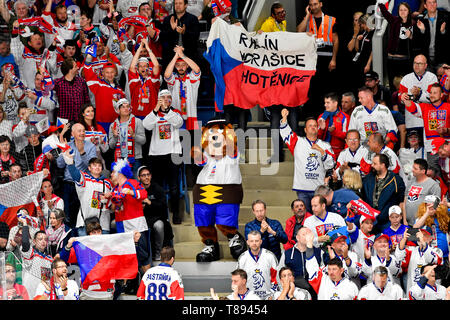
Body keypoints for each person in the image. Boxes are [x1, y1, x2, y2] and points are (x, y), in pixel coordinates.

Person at [280, 109, 335, 213]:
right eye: (310, 125)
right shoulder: (297, 142)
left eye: (315, 125)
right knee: (305, 219)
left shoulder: (325, 145)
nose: (313, 127)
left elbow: (331, 165)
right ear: (305, 129)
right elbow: (285, 132)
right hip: (302, 189)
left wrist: (322, 152)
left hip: (319, 190)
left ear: (318, 129)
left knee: (320, 217)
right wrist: (284, 118)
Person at [142, 89, 184, 224]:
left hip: (173, 152)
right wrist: (156, 109)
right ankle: (161, 215)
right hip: (156, 154)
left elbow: (178, 123)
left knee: (174, 186)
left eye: (168, 97)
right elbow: (146, 125)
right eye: (163, 97)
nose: (166, 99)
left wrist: (167, 111)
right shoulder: (154, 113)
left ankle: (176, 213)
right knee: (157, 187)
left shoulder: (175, 112)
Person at [107, 159, 152, 274]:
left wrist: (131, 192)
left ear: (119, 173)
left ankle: (147, 282)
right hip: (121, 225)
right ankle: (131, 285)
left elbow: (144, 194)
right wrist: (110, 198)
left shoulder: (133, 183)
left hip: (136, 225)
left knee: (143, 255)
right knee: (127, 256)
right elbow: (114, 209)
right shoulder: (115, 189)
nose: (111, 175)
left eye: (112, 172)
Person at [60, 218, 119, 300]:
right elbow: (63, 258)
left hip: (106, 293)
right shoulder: (82, 248)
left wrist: (133, 242)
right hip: (88, 293)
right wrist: (68, 245)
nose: (97, 235)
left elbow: (123, 259)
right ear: (88, 234)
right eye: (94, 232)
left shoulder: (110, 247)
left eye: (99, 232)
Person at [56, 123, 97, 228]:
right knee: (67, 216)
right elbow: (59, 164)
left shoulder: (90, 146)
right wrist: (64, 151)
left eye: (83, 130)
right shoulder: (68, 144)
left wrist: (82, 152)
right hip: (68, 184)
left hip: (84, 185)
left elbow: (92, 166)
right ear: (73, 134)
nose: (82, 133)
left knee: (82, 215)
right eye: (79, 131)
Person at [401, 83, 450, 163]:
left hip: (447, 148)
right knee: (433, 173)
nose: (432, 95)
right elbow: (412, 107)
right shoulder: (424, 107)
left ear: (441, 95)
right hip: (431, 148)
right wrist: (405, 98)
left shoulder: (448, 107)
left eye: (435, 93)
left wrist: (446, 130)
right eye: (430, 93)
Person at [305, 230, 359, 300]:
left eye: (344, 240)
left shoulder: (353, 255)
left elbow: (354, 274)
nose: (342, 243)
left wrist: (346, 257)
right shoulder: (324, 279)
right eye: (339, 241)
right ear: (332, 245)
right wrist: (309, 245)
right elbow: (311, 267)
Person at [361, 153, 406, 234]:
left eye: (375, 163)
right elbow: (363, 198)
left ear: (383, 165)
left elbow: (401, 202)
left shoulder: (396, 180)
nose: (372, 165)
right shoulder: (368, 179)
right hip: (371, 221)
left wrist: (403, 220)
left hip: (388, 221)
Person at [137, 165, 174, 261]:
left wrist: (149, 202)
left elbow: (163, 206)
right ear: (139, 177)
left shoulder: (157, 189)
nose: (146, 177)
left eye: (148, 175)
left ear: (151, 176)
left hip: (156, 217)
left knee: (159, 226)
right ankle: (141, 255)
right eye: (143, 175)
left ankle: (158, 253)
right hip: (141, 217)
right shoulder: (136, 190)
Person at [278, 226, 323, 299]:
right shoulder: (287, 254)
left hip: (315, 292)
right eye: (304, 234)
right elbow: (279, 274)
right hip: (294, 293)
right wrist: (283, 290)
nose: (307, 236)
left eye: (309, 234)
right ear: (297, 238)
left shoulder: (319, 252)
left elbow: (323, 273)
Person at [395, 225, 443, 292]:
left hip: (431, 292)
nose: (420, 237)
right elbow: (399, 256)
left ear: (431, 238)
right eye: (419, 235)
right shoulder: (411, 250)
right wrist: (404, 239)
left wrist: (423, 242)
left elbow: (431, 259)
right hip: (414, 291)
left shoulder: (437, 251)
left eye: (424, 235)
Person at [378, 1, 414, 90]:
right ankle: (393, 103)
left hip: (404, 59)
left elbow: (417, 40)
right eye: (400, 10)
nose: (402, 12)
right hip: (391, 58)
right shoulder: (394, 20)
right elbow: (385, 13)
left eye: (405, 10)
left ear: (409, 11)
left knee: (405, 85)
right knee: (392, 84)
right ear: (398, 11)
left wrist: (411, 36)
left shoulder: (413, 23)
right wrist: (381, 3)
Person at [399, 54, 439, 135]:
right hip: (411, 120)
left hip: (429, 119)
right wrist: (402, 98)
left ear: (425, 65)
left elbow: (433, 99)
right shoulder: (406, 79)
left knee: (432, 144)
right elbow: (401, 99)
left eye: (420, 63)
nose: (417, 66)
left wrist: (419, 93)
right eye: (415, 63)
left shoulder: (432, 77)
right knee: (414, 146)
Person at [164, 45, 201, 131]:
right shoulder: (174, 78)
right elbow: (167, 74)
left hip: (191, 115)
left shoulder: (191, 78)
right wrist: (176, 55)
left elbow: (197, 69)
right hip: (176, 116)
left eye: (183, 65)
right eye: (178, 65)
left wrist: (182, 55)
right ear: (175, 66)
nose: (181, 67)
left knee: (193, 142)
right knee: (176, 142)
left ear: (187, 66)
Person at [108, 98, 146, 177]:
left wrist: (134, 136)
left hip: (135, 158)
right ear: (118, 110)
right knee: (121, 184)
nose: (126, 109)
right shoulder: (113, 125)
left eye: (127, 106)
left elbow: (143, 141)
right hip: (120, 159)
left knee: (135, 183)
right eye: (123, 107)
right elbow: (111, 146)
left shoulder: (137, 122)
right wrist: (115, 136)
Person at [236, 230, 279, 300]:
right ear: (247, 242)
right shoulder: (243, 258)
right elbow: (238, 279)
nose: (254, 243)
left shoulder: (269, 256)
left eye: (256, 241)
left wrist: (272, 294)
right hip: (249, 297)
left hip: (268, 297)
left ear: (261, 241)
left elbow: (276, 278)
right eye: (252, 241)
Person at [19, 218, 53, 299]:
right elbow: (25, 242)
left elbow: (46, 279)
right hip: (28, 293)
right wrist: (24, 224)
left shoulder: (49, 259)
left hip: (41, 294)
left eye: (45, 239)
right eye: (40, 239)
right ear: (34, 241)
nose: (43, 241)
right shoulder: (30, 253)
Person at [160, 0, 200, 68]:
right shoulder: (168, 19)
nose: (178, 5)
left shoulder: (193, 19)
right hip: (170, 55)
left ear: (186, 5)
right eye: (176, 3)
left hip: (189, 55)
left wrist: (184, 32)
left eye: (180, 3)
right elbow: (162, 38)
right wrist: (171, 30)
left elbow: (196, 37)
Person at [128, 39, 161, 120]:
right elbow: (132, 67)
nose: (143, 68)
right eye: (140, 66)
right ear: (138, 69)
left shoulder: (152, 80)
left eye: (145, 66)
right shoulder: (135, 80)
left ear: (149, 68)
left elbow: (156, 65)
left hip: (151, 115)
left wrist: (147, 47)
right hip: (136, 115)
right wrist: (140, 48)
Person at [402, 159, 441, 226]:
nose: (412, 170)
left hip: (424, 225)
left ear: (423, 171)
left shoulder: (433, 185)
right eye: (413, 167)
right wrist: (404, 220)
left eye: (415, 168)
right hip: (407, 224)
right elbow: (405, 201)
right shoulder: (411, 182)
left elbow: (435, 207)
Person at [53, 58, 91, 122]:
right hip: (64, 120)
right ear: (70, 69)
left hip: (80, 119)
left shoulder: (81, 81)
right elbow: (45, 87)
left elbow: (87, 101)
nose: (78, 68)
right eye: (75, 66)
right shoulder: (58, 83)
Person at [414, 0, 449, 67]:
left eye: (434, 2)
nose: (432, 4)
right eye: (429, 3)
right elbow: (416, 42)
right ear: (425, 6)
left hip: (442, 58)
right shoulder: (420, 19)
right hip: (425, 58)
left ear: (436, 4)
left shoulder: (446, 17)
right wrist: (422, 30)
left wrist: (443, 31)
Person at [413, 195, 449, 260]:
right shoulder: (422, 218)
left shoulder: (444, 215)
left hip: (445, 255)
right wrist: (427, 213)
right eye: (428, 205)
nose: (431, 207)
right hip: (429, 256)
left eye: (433, 205)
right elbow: (415, 228)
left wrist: (447, 204)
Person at [317, 92, 349, 159]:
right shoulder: (322, 117)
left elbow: (347, 136)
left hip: (338, 153)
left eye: (328, 103)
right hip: (323, 151)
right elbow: (316, 138)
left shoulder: (344, 117)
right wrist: (321, 129)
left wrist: (334, 132)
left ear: (335, 103)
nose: (325, 105)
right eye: (325, 103)